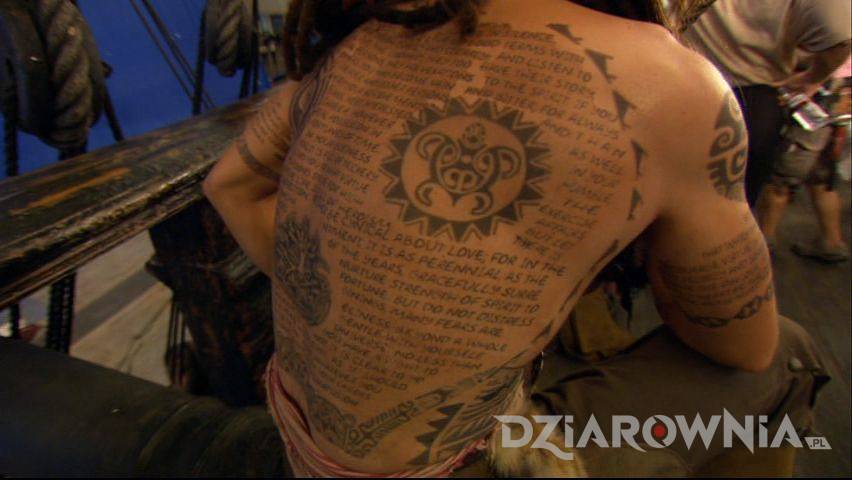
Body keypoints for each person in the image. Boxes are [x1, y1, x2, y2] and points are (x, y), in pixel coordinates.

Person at [203, 0, 827, 476]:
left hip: (301, 442)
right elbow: (743, 347)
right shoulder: (673, 81)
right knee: (789, 356)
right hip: (458, 468)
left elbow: (227, 186)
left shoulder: (373, 30)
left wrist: (347, 305)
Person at [683, 0, 852, 207]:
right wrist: (810, 79)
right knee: (725, 207)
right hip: (748, 96)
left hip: (684, 78)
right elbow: (839, 40)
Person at [756, 60, 851, 262]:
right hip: (840, 93)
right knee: (820, 179)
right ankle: (831, 242)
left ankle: (759, 248)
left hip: (819, 96)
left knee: (779, 182)